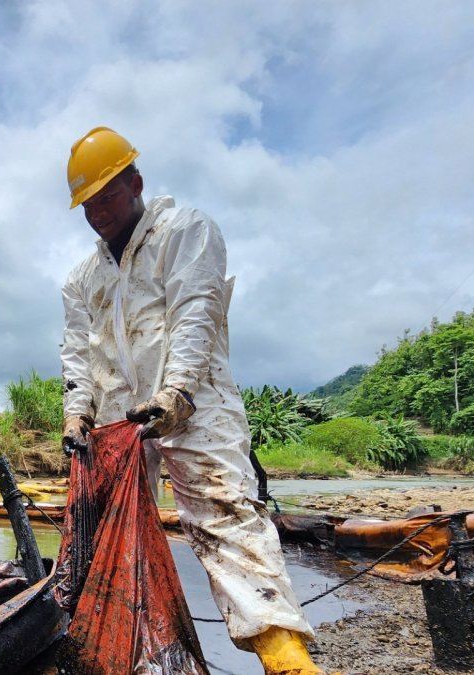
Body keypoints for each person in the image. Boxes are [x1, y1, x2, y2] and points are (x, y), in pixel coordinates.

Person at [58, 127, 323, 674]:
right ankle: (113, 648)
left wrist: (176, 392)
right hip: (118, 422)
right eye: (89, 203)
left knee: (224, 516)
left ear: (136, 183)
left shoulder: (184, 231)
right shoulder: (83, 278)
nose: (99, 211)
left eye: (108, 196)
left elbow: (195, 312)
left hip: (194, 406)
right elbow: (78, 355)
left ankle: (286, 659)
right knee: (107, 529)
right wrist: (76, 410)